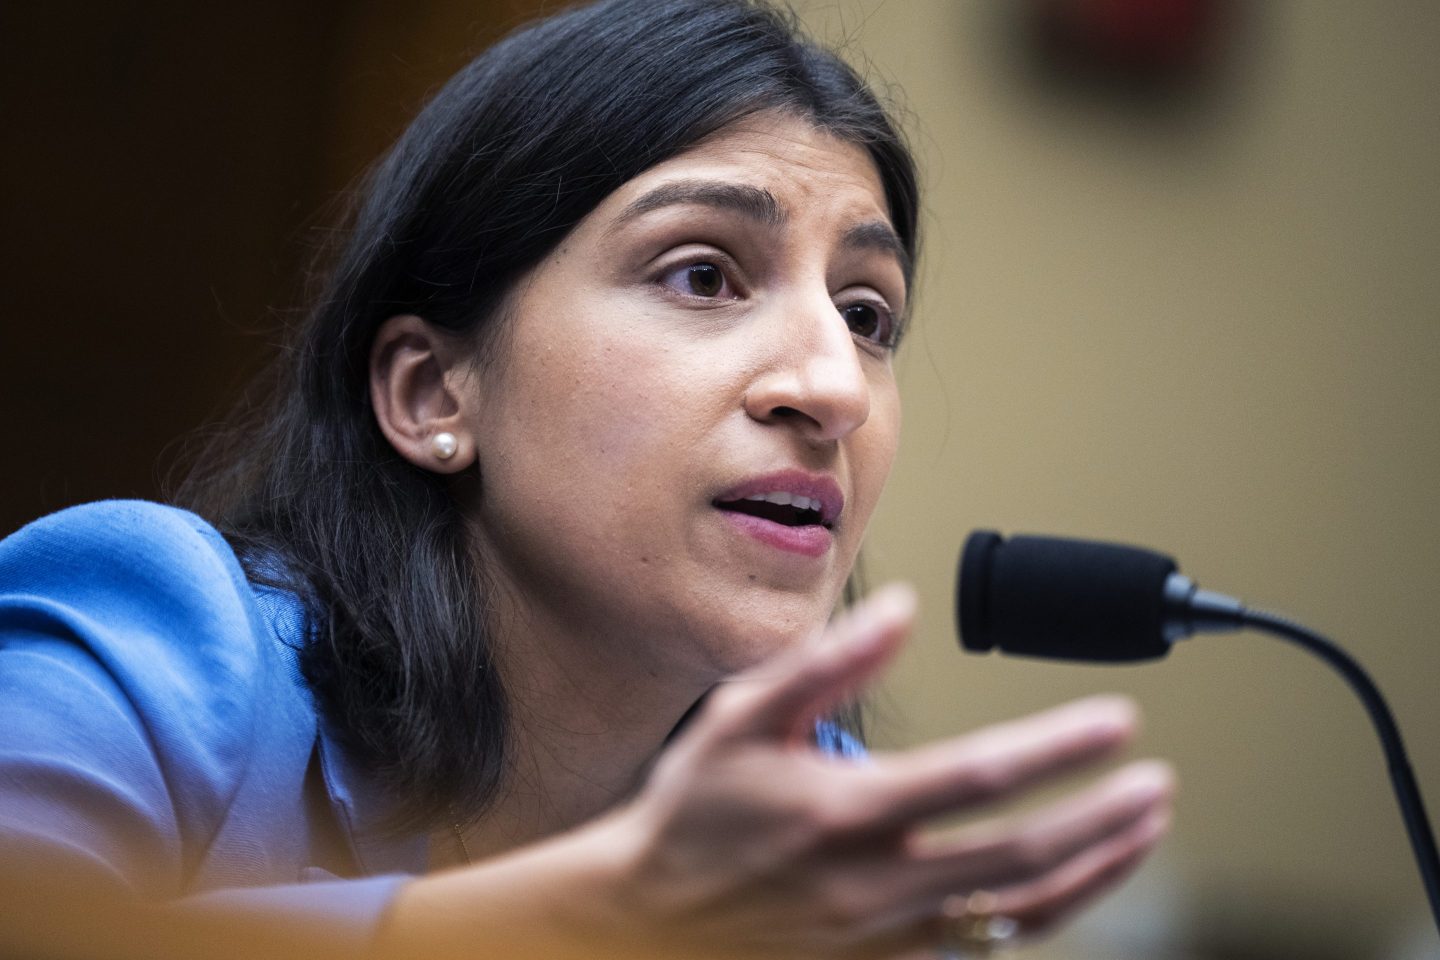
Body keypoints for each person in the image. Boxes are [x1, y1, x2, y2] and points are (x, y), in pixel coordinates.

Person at [0, 0, 1174, 957]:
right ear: (430, 395)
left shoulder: (820, 834)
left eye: (867, 315)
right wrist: (594, 918)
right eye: (703, 276)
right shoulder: (166, 638)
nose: (835, 387)